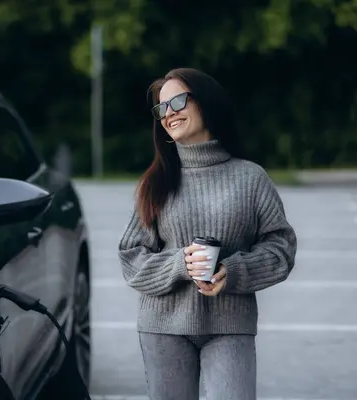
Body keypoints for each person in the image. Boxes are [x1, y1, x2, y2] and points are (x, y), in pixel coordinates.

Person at [117, 67, 298, 400]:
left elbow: (281, 249)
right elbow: (131, 259)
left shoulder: (251, 178)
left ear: (207, 102)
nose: (169, 114)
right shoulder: (154, 183)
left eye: (178, 101)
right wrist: (180, 265)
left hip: (230, 325)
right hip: (162, 328)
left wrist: (234, 271)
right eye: (162, 108)